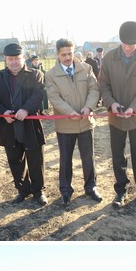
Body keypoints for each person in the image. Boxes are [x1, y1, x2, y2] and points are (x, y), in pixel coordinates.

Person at [98, 21, 136, 210]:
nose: (128, 48)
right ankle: (120, 191)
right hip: (115, 117)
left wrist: (134, 108)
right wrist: (111, 103)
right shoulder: (108, 58)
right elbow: (103, 85)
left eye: (132, 45)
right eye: (125, 44)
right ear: (120, 40)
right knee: (117, 155)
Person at [0, 43, 48, 206]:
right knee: (15, 160)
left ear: (24, 58)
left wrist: (26, 109)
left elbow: (38, 93)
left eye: (17, 58)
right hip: (8, 125)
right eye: (10, 59)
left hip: (30, 125)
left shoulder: (35, 75)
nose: (14, 62)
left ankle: (38, 191)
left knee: (35, 158)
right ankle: (22, 190)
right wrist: (2, 113)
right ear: (5, 59)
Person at [45, 38, 102, 206]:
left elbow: (94, 90)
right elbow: (54, 98)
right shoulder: (50, 75)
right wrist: (69, 112)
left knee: (88, 157)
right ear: (57, 54)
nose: (68, 57)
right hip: (65, 125)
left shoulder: (86, 68)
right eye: (64, 55)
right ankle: (65, 191)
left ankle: (91, 187)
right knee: (65, 159)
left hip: (86, 122)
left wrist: (88, 107)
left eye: (70, 53)